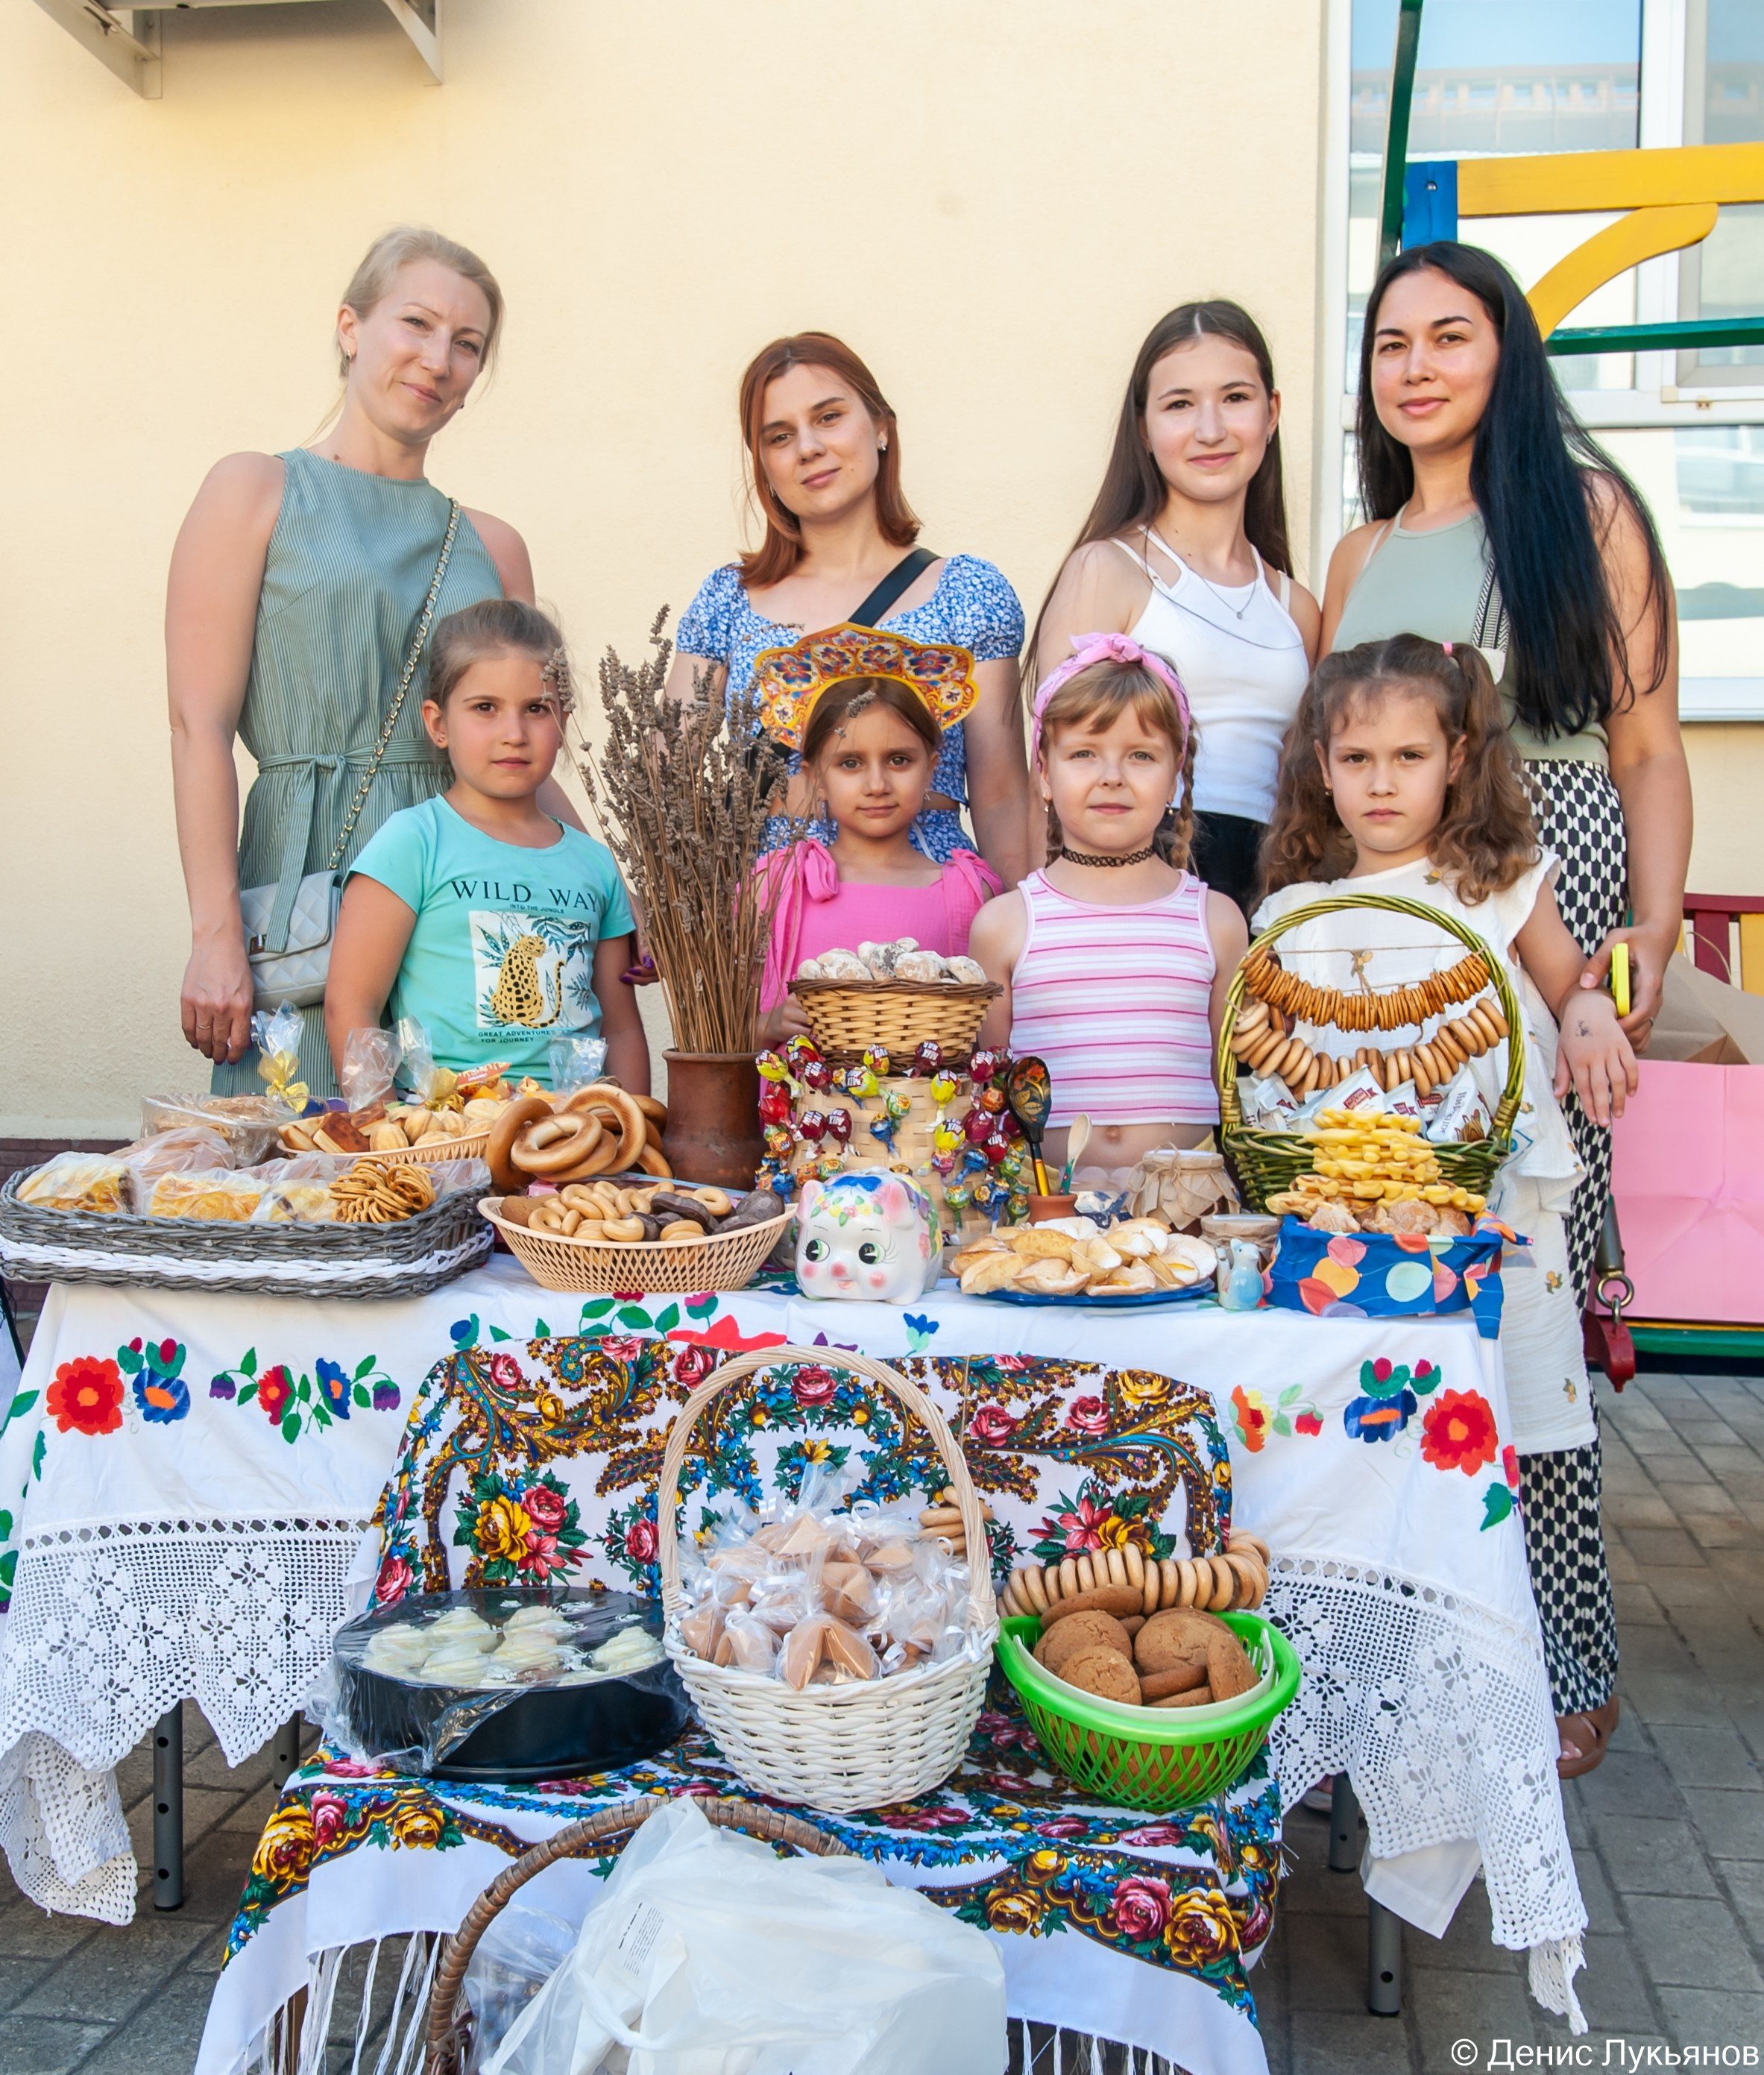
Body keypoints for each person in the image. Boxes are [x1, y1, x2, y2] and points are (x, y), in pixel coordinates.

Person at [1257, 635, 1637, 1777]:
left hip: (1499, 1205)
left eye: (1408, 754)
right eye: (1356, 755)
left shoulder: (1497, 882)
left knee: (1520, 1425)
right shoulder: (1297, 905)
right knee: (1386, 1432)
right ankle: (1390, 1669)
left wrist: (1582, 1014)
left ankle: (1553, 1673)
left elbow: (1568, 977)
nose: (1381, 781)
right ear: (1319, 766)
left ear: (1456, 758)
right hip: (1364, 1212)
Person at [1321, 241, 1689, 1309]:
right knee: (1389, 1180)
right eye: (1391, 344)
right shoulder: (1358, 552)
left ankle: (1529, 1470)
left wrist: (1653, 928)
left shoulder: (1586, 512)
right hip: (1397, 898)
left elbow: (1649, 747)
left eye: (1448, 337)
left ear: (1506, 357)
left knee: (1531, 1198)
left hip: (1551, 876)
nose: (1415, 367)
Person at [167, 225, 579, 1099]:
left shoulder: (493, 545)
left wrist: (602, 885)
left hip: (470, 890)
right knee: (305, 1163)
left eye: (467, 345)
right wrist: (213, 935)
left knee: (471, 1150)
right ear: (351, 327)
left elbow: (519, 751)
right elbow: (196, 727)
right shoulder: (252, 490)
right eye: (417, 324)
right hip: (305, 881)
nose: (438, 358)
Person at [669, 332, 1029, 884]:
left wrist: (1019, 936)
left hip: (928, 909)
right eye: (780, 436)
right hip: (773, 912)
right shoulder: (728, 599)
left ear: (881, 426)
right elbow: (664, 779)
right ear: (763, 464)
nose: (808, 447)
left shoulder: (967, 594)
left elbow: (1001, 795)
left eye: (829, 417)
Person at [1031, 302, 1317, 916]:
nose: (1209, 429)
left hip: (1272, 888)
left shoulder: (1299, 608)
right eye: (1180, 404)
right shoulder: (1106, 570)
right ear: (1144, 429)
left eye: (1235, 398)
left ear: (1273, 413)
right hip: (1137, 880)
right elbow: (1047, 771)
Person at [324, 600, 647, 1094]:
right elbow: (352, 1004)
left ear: (563, 720)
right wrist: (387, 1138)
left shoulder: (595, 864)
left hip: (576, 1141)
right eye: (485, 708)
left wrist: (629, 1141)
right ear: (437, 723)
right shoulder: (413, 842)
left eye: (536, 709)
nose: (513, 734)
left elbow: (621, 1028)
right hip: (447, 1140)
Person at [968, 635, 1247, 1189]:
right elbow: (993, 1095)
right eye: (1084, 754)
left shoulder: (1215, 921)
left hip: (1186, 1213)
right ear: (1044, 773)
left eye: (1141, 755)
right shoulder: (1004, 926)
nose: (1112, 775)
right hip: (1048, 1204)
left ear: (1176, 773)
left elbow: (1233, 1090)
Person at [746, 629, 1001, 1044]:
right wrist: (767, 1026)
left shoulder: (969, 895)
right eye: (850, 763)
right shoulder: (774, 887)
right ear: (815, 779)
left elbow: (989, 1039)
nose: (877, 783)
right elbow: (718, 1033)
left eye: (899, 760)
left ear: (931, 768)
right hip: (798, 1107)